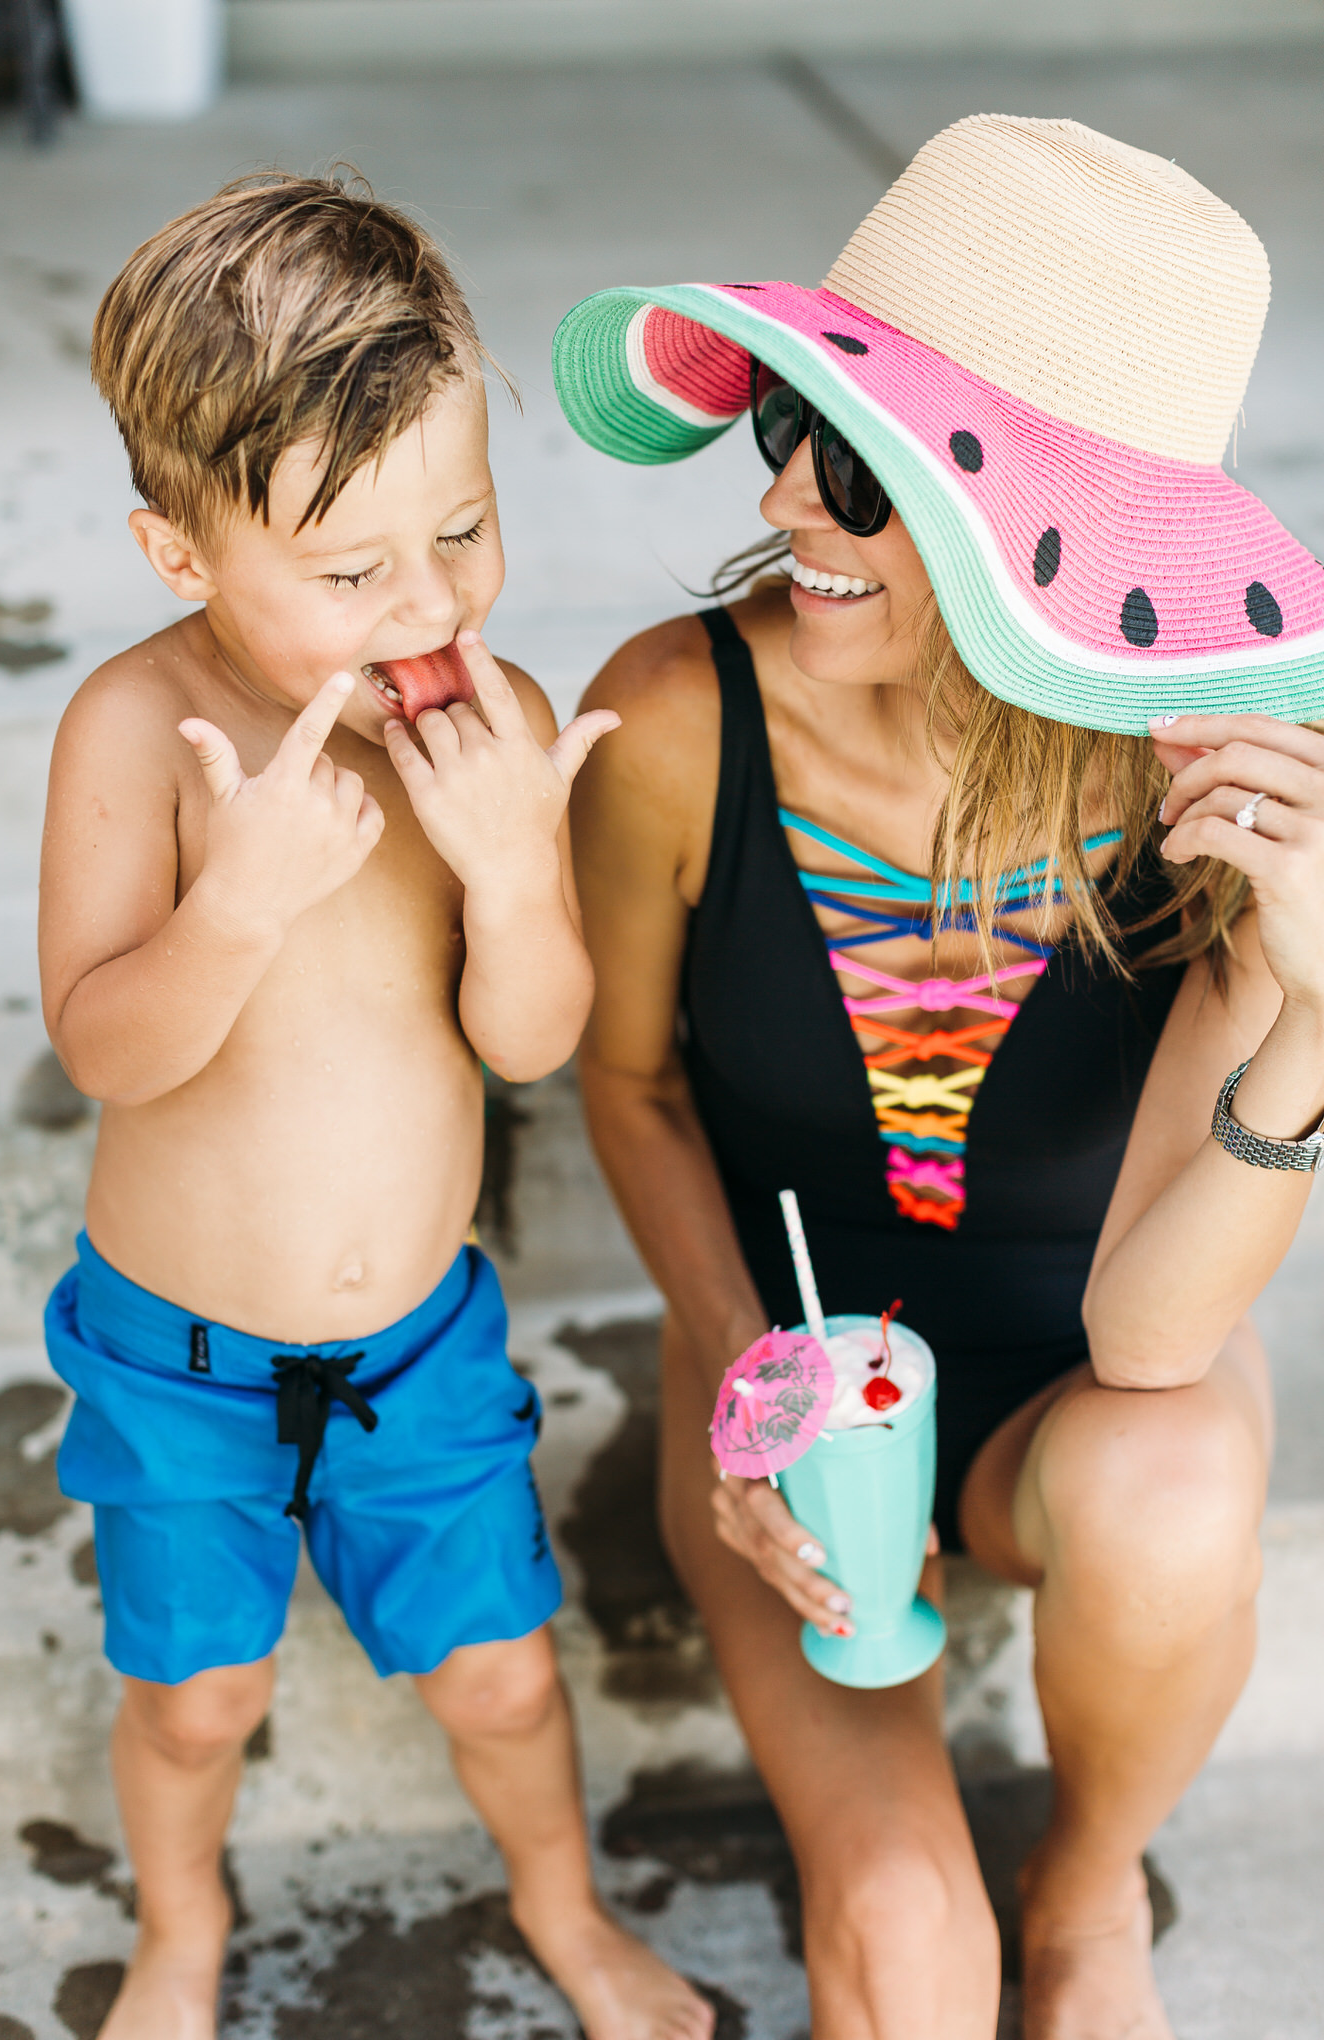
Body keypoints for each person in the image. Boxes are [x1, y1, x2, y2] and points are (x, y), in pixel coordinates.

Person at [556, 116, 1324, 2040]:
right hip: (786, 1397)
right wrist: (748, 1393)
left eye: (874, 477)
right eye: (791, 435)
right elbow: (632, 1089)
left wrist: (1314, 1016)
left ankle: (1087, 1892)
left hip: (1068, 1410)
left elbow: (1150, 1340)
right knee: (903, 1951)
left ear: (1033, 535)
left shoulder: (1207, 802)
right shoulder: (675, 716)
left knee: (1166, 1478)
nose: (802, 509)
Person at [40, 172, 712, 2040]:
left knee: (500, 1677)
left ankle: (566, 1911)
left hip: (415, 1353)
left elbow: (531, 1042)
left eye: (467, 531)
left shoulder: (476, 725)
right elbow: (107, 1050)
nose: (429, 605)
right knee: (196, 1698)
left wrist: (512, 875)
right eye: (353, 574)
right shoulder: (132, 735)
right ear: (181, 552)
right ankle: (180, 1936)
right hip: (177, 1364)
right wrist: (235, 904)